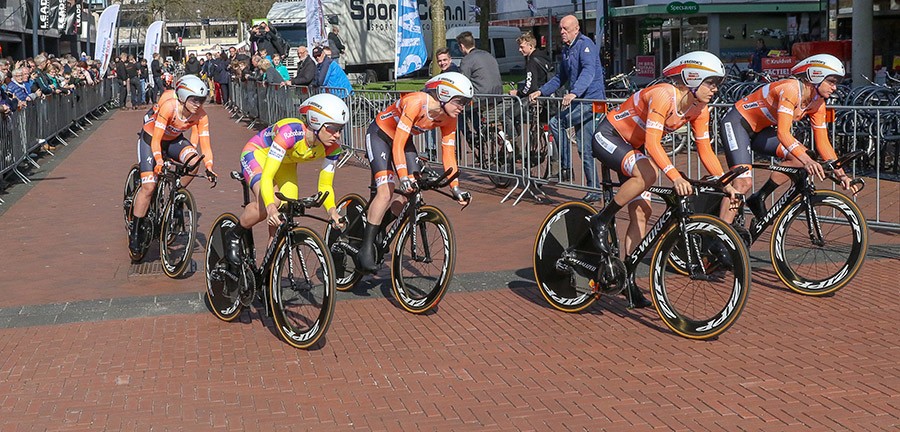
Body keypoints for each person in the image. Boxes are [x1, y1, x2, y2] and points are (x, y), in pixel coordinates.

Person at [586, 51, 729, 309]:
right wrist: (674, 176)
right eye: (711, 83)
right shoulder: (664, 95)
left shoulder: (700, 109)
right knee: (648, 174)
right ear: (693, 78)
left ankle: (626, 279)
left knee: (642, 213)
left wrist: (723, 180)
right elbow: (652, 143)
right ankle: (601, 220)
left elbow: (705, 149)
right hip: (609, 135)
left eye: (718, 84)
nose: (715, 89)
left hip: (633, 147)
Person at [708, 53, 859, 225]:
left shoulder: (818, 103)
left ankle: (760, 197)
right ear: (816, 76)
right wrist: (807, 161)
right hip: (738, 124)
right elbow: (783, 133)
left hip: (761, 130)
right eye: (831, 81)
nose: (835, 88)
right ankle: (719, 236)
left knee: (801, 157)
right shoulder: (791, 89)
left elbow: (823, 142)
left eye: (836, 83)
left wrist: (841, 174)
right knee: (743, 183)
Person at [356, 72, 473, 272]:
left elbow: (449, 154)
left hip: (403, 140)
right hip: (380, 135)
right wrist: (403, 177)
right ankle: (365, 248)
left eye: (466, 103)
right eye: (459, 102)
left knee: (412, 190)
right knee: (387, 191)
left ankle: (380, 226)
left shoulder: (449, 117)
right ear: (444, 95)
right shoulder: (415, 102)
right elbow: (398, 145)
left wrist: (456, 188)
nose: (462, 107)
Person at [223, 94, 348, 264]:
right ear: (316, 123)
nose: (338, 135)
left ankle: (269, 270)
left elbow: (325, 184)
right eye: (333, 128)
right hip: (257, 154)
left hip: (285, 164)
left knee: (287, 209)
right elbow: (267, 175)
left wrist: (332, 211)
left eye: (341, 129)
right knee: (272, 202)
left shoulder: (333, 148)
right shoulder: (291, 132)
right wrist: (270, 208)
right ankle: (234, 234)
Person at [128, 75, 217, 256]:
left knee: (194, 162)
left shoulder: (201, 115)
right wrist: (159, 161)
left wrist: (209, 166)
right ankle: (135, 232)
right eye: (194, 100)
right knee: (149, 187)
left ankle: (176, 194)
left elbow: (205, 145)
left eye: (202, 100)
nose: (198, 104)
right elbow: (157, 140)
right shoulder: (169, 107)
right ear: (183, 96)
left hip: (175, 140)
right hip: (151, 139)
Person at [529, 15, 606, 202]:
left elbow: (589, 71)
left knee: (557, 122)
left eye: (565, 29)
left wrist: (575, 93)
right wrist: (541, 92)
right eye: (561, 28)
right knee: (585, 149)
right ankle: (594, 189)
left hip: (591, 101)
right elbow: (560, 77)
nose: (562, 32)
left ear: (576, 29)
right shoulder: (567, 49)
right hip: (581, 101)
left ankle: (565, 165)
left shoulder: (586, 46)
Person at [499, 31, 552, 151]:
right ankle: (552, 161)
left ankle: (515, 148)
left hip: (535, 98)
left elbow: (530, 86)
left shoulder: (532, 62)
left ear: (530, 46)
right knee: (543, 125)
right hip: (548, 98)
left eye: (522, 47)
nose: (519, 49)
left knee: (506, 116)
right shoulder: (544, 57)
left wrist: (517, 92)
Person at [455, 31, 502, 154]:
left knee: (459, 112)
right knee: (475, 111)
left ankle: (472, 137)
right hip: (497, 95)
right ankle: (481, 133)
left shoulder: (467, 60)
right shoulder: (488, 55)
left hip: (480, 97)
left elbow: (463, 82)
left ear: (462, 46)